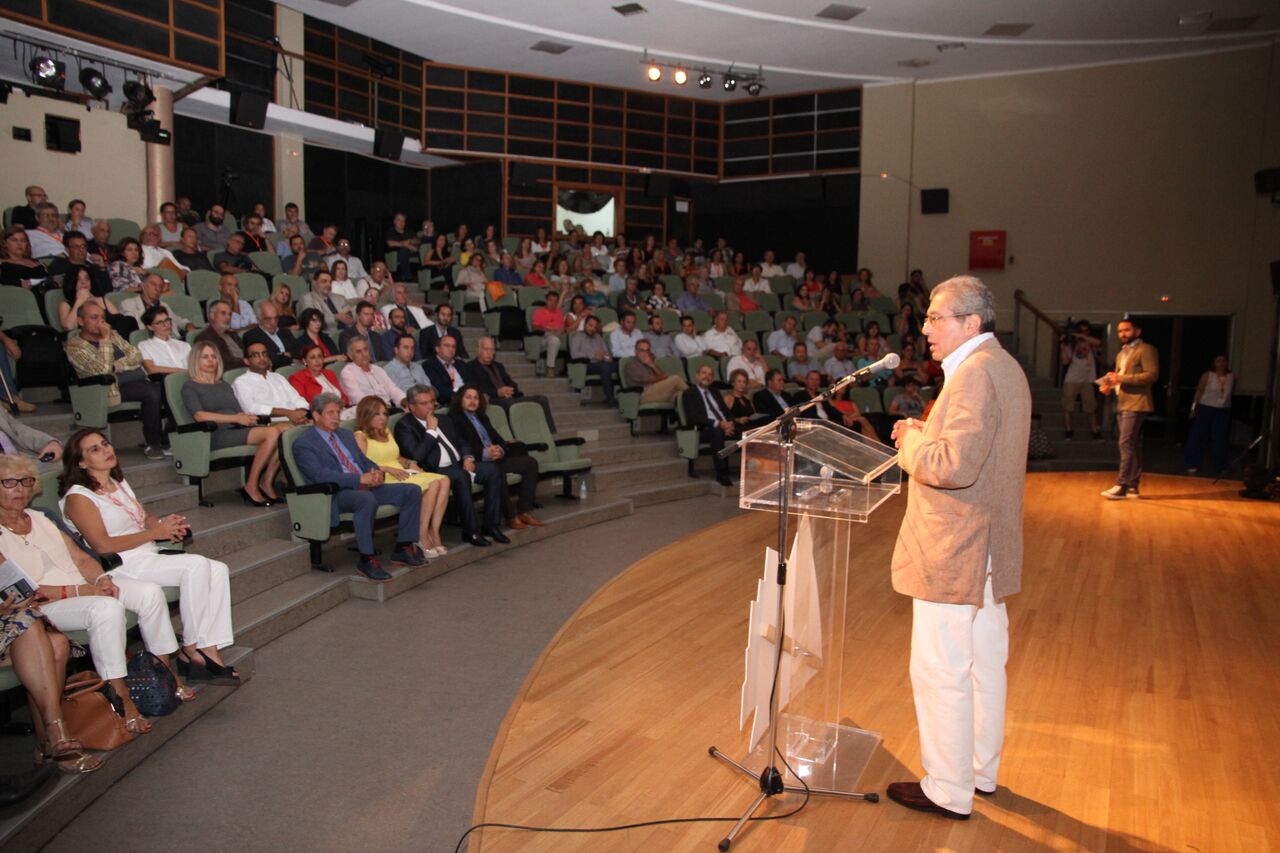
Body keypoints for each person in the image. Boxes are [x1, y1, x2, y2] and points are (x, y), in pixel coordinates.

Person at [885, 275, 1030, 821]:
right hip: (989, 545)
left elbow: (952, 467)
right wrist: (932, 432)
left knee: (942, 668)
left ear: (971, 323)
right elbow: (980, 451)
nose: (925, 329)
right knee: (985, 664)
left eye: (936, 318)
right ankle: (978, 770)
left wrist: (912, 440)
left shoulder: (972, 375)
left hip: (956, 548)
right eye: (925, 318)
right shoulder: (1003, 367)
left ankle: (947, 787)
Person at [60, 428, 240, 686]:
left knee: (218, 569)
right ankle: (193, 648)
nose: (106, 450)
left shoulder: (116, 482)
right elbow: (101, 545)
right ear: (81, 462)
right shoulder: (79, 497)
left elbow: (142, 517)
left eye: (105, 443)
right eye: (94, 450)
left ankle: (209, 650)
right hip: (120, 564)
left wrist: (162, 524)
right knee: (196, 565)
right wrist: (155, 533)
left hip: (146, 555)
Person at [0, 456, 162, 743]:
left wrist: (101, 579)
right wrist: (82, 591)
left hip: (80, 591)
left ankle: (141, 684)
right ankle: (119, 694)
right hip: (44, 604)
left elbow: (81, 558)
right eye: (9, 483)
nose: (20, 489)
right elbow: (22, 590)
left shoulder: (40, 517)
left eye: (25, 482)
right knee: (105, 608)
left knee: (129, 595)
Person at [291, 394, 426, 580]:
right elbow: (319, 475)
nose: (336, 417)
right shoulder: (304, 443)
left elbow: (363, 460)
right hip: (337, 493)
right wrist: (359, 479)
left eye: (338, 412)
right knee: (365, 498)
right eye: (330, 413)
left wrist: (375, 472)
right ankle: (366, 559)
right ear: (316, 415)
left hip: (365, 486)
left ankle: (403, 547)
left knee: (411, 491)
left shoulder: (344, 435)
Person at [395, 385, 506, 547]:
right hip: (435, 469)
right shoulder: (405, 426)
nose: (429, 406)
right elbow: (415, 457)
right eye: (423, 403)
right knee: (461, 477)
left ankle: (491, 525)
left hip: (458, 463)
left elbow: (461, 441)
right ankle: (471, 530)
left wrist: (468, 457)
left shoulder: (444, 419)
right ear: (411, 407)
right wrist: (431, 431)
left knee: (493, 470)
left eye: (432, 402)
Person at [182, 341, 288, 505]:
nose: (211, 361)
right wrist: (236, 418)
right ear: (196, 360)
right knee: (272, 433)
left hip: (237, 429)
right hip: (215, 434)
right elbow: (200, 416)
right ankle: (251, 485)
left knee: (286, 431)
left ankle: (266, 482)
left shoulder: (223, 385)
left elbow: (237, 411)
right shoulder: (190, 386)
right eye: (205, 357)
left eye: (213, 357)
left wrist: (246, 418)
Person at [65, 302, 168, 459]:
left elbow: (135, 355)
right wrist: (105, 340)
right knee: (151, 392)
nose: (100, 322)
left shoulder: (113, 334)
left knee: (160, 388)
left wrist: (116, 366)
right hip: (101, 391)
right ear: (80, 321)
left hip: (125, 382)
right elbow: (100, 371)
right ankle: (154, 443)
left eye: (102, 317)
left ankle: (162, 440)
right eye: (94, 318)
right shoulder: (74, 346)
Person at [353, 397, 450, 557]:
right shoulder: (360, 436)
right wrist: (388, 469)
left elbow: (396, 457)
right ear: (366, 415)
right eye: (377, 414)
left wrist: (410, 463)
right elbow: (361, 465)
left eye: (385, 413)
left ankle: (434, 531)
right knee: (433, 484)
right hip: (386, 478)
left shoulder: (386, 432)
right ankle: (421, 534)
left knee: (444, 480)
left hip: (402, 473)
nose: (383, 418)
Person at [449, 385, 542, 530]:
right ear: (460, 399)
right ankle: (511, 516)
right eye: (468, 397)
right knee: (496, 472)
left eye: (476, 398)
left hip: (495, 457)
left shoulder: (482, 417)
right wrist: (485, 453)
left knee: (530, 463)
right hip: (477, 462)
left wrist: (500, 450)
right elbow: (460, 445)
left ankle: (524, 510)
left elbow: (499, 440)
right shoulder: (454, 419)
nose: (473, 401)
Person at [1098, 318, 1158, 499]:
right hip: (1122, 402)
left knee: (1125, 443)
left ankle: (1121, 484)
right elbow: (1119, 377)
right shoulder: (1121, 354)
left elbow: (1151, 375)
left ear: (1137, 332)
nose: (1123, 334)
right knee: (1130, 444)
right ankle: (1133, 485)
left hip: (1137, 402)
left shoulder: (1146, 349)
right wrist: (1109, 385)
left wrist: (1120, 379)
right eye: (1120, 331)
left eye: (1127, 330)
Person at [231, 341, 310, 426]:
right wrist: (288, 413)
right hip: (271, 423)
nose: (262, 358)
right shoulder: (241, 382)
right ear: (246, 361)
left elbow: (297, 398)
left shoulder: (278, 377)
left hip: (298, 418)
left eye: (264, 354)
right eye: (255, 355)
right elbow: (250, 408)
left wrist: (300, 412)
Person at [682, 364, 736, 486]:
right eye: (704, 373)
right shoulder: (689, 393)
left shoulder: (715, 392)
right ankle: (721, 473)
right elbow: (693, 417)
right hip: (704, 429)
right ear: (697, 376)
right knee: (717, 431)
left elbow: (726, 411)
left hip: (724, 426)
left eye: (710, 374)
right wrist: (719, 424)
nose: (707, 376)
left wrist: (730, 423)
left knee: (751, 430)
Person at [1183, 354, 1234, 475]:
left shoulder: (1231, 377)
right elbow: (1199, 392)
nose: (1221, 363)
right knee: (1199, 436)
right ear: (1214, 363)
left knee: (1221, 438)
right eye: (1218, 361)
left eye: (1223, 361)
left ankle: (1221, 465)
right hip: (1206, 408)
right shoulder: (1208, 375)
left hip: (1222, 410)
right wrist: (1193, 408)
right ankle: (1192, 463)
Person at [1059, 321, 1103, 441]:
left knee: (1090, 406)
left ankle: (1095, 431)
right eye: (1081, 330)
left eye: (1086, 330)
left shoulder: (1090, 342)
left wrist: (1082, 336)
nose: (1083, 332)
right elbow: (1065, 361)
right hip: (1072, 379)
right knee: (1068, 406)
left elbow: (1098, 343)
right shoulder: (1072, 345)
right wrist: (1063, 344)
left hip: (1088, 379)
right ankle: (1068, 431)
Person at [290, 344, 354, 419]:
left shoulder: (330, 373)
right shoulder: (297, 378)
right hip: (322, 416)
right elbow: (303, 405)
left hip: (342, 410)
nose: (317, 361)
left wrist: (343, 402)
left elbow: (344, 397)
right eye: (313, 357)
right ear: (305, 360)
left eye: (320, 356)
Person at [340, 337, 405, 409]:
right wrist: (382, 407)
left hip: (389, 409)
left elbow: (393, 389)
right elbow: (357, 397)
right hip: (369, 412)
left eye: (365, 349)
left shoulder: (378, 369)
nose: (364, 354)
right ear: (350, 356)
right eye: (358, 352)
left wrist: (403, 400)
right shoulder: (348, 372)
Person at [120, 272, 195, 334]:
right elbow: (134, 330)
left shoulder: (163, 305)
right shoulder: (128, 304)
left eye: (160, 286)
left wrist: (187, 325)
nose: (157, 289)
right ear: (143, 285)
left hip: (172, 339)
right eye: (153, 284)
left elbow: (177, 320)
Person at [569, 315, 617, 406]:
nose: (592, 329)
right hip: (586, 365)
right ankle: (610, 399)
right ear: (585, 325)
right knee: (605, 367)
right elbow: (574, 355)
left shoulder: (598, 337)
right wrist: (593, 356)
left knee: (621, 365)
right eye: (590, 325)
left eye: (595, 327)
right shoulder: (577, 336)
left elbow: (606, 353)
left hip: (602, 362)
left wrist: (607, 358)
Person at [59, 267, 123, 332]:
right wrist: (79, 301)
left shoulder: (102, 300)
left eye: (87, 279)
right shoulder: (66, 304)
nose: (84, 282)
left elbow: (121, 321)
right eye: (78, 279)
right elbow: (68, 327)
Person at [624, 339, 687, 404]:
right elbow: (651, 379)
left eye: (647, 351)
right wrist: (662, 377)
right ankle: (696, 398)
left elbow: (662, 375)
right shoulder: (631, 365)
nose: (645, 353)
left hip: (655, 392)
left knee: (679, 396)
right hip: (642, 395)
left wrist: (652, 365)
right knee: (676, 379)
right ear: (636, 351)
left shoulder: (649, 363)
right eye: (642, 350)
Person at [137, 305, 192, 375]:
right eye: (160, 322)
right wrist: (183, 371)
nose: (166, 325)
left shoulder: (184, 345)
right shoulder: (145, 346)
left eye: (167, 320)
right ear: (150, 327)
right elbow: (151, 369)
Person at [296, 269, 354, 335]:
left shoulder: (340, 298)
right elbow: (311, 320)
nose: (328, 285)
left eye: (330, 282)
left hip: (348, 332)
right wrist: (336, 317)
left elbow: (351, 313)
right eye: (324, 281)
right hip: (323, 335)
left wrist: (351, 318)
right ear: (314, 283)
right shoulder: (307, 299)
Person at [193, 299, 246, 369]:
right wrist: (244, 362)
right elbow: (220, 364)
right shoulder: (204, 338)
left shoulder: (233, 335)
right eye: (223, 313)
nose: (228, 317)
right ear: (212, 316)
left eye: (229, 314)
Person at [243, 301, 296, 370]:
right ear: (258, 319)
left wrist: (282, 355)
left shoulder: (285, 331)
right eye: (268, 319)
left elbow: (298, 350)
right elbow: (268, 358)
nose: (273, 323)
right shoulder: (251, 336)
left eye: (276, 318)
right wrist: (289, 357)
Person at [422, 334, 467, 406]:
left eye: (453, 346)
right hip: (449, 403)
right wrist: (461, 397)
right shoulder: (429, 365)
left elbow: (471, 382)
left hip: (467, 400)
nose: (451, 349)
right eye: (447, 346)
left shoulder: (461, 364)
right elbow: (438, 389)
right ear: (437, 349)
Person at [531, 290, 566, 375]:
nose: (553, 303)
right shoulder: (539, 312)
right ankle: (550, 368)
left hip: (558, 335)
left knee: (557, 339)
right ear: (546, 301)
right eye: (550, 300)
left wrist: (559, 330)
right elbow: (534, 327)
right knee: (554, 340)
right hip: (543, 337)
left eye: (555, 301)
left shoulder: (559, 312)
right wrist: (548, 329)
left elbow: (562, 327)